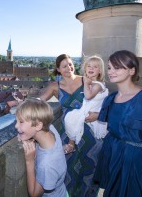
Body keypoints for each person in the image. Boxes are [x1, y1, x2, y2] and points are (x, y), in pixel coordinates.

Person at [93, 50, 142, 197]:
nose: (111, 71)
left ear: (132, 70)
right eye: (109, 67)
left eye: (117, 67)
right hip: (112, 155)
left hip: (134, 161)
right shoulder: (110, 99)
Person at [39, 54, 102, 197]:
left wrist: (97, 115)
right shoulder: (55, 86)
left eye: (70, 64)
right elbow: (39, 100)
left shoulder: (86, 79)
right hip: (68, 133)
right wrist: (20, 104)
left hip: (89, 133)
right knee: (68, 167)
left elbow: (102, 99)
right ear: (58, 70)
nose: (68, 67)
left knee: (90, 166)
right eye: (64, 66)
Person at [15, 99, 67, 197]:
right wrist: (25, 134)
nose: (16, 125)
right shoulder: (50, 129)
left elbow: (34, 194)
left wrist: (29, 161)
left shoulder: (46, 165)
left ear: (38, 125)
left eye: (21, 122)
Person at [64, 55, 109, 152]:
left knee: (70, 117)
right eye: (89, 66)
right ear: (85, 68)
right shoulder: (92, 83)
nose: (91, 68)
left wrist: (86, 83)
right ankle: (72, 143)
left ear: (100, 70)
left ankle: (71, 143)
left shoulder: (98, 85)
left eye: (95, 67)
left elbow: (88, 96)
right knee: (70, 117)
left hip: (93, 111)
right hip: (88, 109)